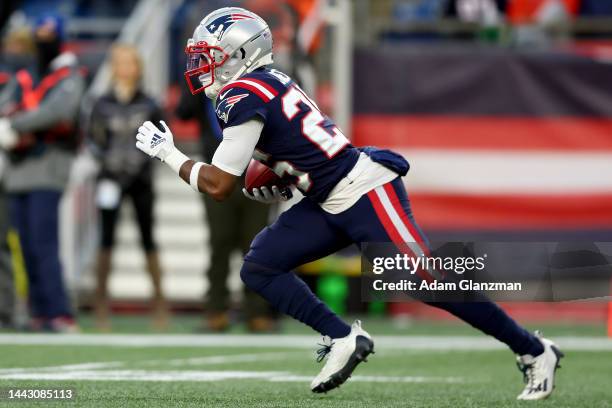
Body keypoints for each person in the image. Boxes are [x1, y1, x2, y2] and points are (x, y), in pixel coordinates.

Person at [135, 7, 563, 400]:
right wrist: (283, 178)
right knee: (260, 266)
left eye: (209, 54)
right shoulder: (268, 80)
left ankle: (534, 350)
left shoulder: (242, 96)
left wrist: (168, 154)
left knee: (428, 283)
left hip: (363, 190)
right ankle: (342, 337)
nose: (200, 64)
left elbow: (219, 186)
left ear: (240, 53)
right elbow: (293, 147)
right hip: (327, 195)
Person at [0, 15, 84, 333]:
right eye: (39, 34)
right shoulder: (27, 74)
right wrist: (12, 117)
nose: (41, 39)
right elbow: (6, 102)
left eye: (48, 34)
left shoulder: (69, 75)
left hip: (48, 167)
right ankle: (38, 311)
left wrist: (16, 123)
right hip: (18, 169)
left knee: (43, 242)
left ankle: (58, 311)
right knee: (25, 244)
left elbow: (58, 111)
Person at [88, 44, 168, 331]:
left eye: (129, 63)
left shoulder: (149, 103)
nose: (125, 68)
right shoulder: (102, 103)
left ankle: (159, 303)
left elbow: (162, 138)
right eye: (119, 63)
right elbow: (93, 140)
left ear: (138, 67)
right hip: (109, 178)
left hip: (141, 180)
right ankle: (100, 305)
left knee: (148, 238)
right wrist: (109, 163)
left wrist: (139, 163)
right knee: (105, 240)